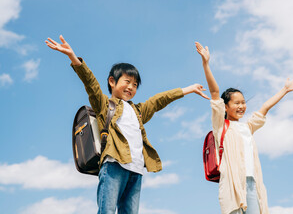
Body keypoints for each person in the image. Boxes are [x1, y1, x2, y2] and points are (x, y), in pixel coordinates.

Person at [45, 35, 209, 214]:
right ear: (112, 81)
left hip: (136, 169)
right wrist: (73, 58)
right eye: (127, 81)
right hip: (114, 164)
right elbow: (90, 84)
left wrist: (188, 89)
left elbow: (159, 100)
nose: (131, 87)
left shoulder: (138, 111)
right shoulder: (105, 105)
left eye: (135, 84)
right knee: (106, 211)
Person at [195, 42, 293, 214]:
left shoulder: (248, 127)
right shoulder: (221, 126)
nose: (242, 106)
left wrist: (284, 90)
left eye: (243, 103)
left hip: (252, 184)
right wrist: (206, 64)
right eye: (236, 103)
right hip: (233, 185)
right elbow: (215, 93)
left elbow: (264, 108)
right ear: (225, 107)